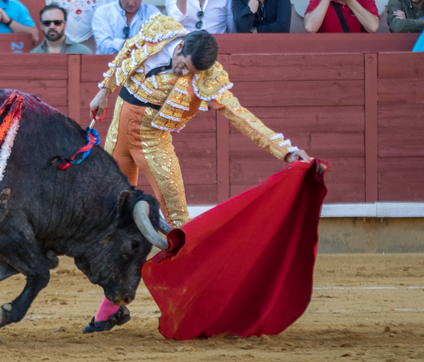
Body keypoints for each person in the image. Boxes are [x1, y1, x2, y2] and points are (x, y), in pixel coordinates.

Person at [88, 14, 313, 235]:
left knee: (177, 219)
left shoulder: (206, 77)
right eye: (183, 65)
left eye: (191, 72)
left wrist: (286, 151)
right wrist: (104, 91)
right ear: (180, 47)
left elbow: (240, 115)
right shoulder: (160, 31)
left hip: (152, 142)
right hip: (117, 135)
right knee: (112, 209)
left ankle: (183, 270)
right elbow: (127, 50)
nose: (183, 73)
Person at [91, 0, 160, 53]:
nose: (131, 2)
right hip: (108, 62)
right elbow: (104, 47)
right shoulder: (103, 12)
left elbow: (159, 42)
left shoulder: (152, 12)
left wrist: (119, 43)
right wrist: (137, 41)